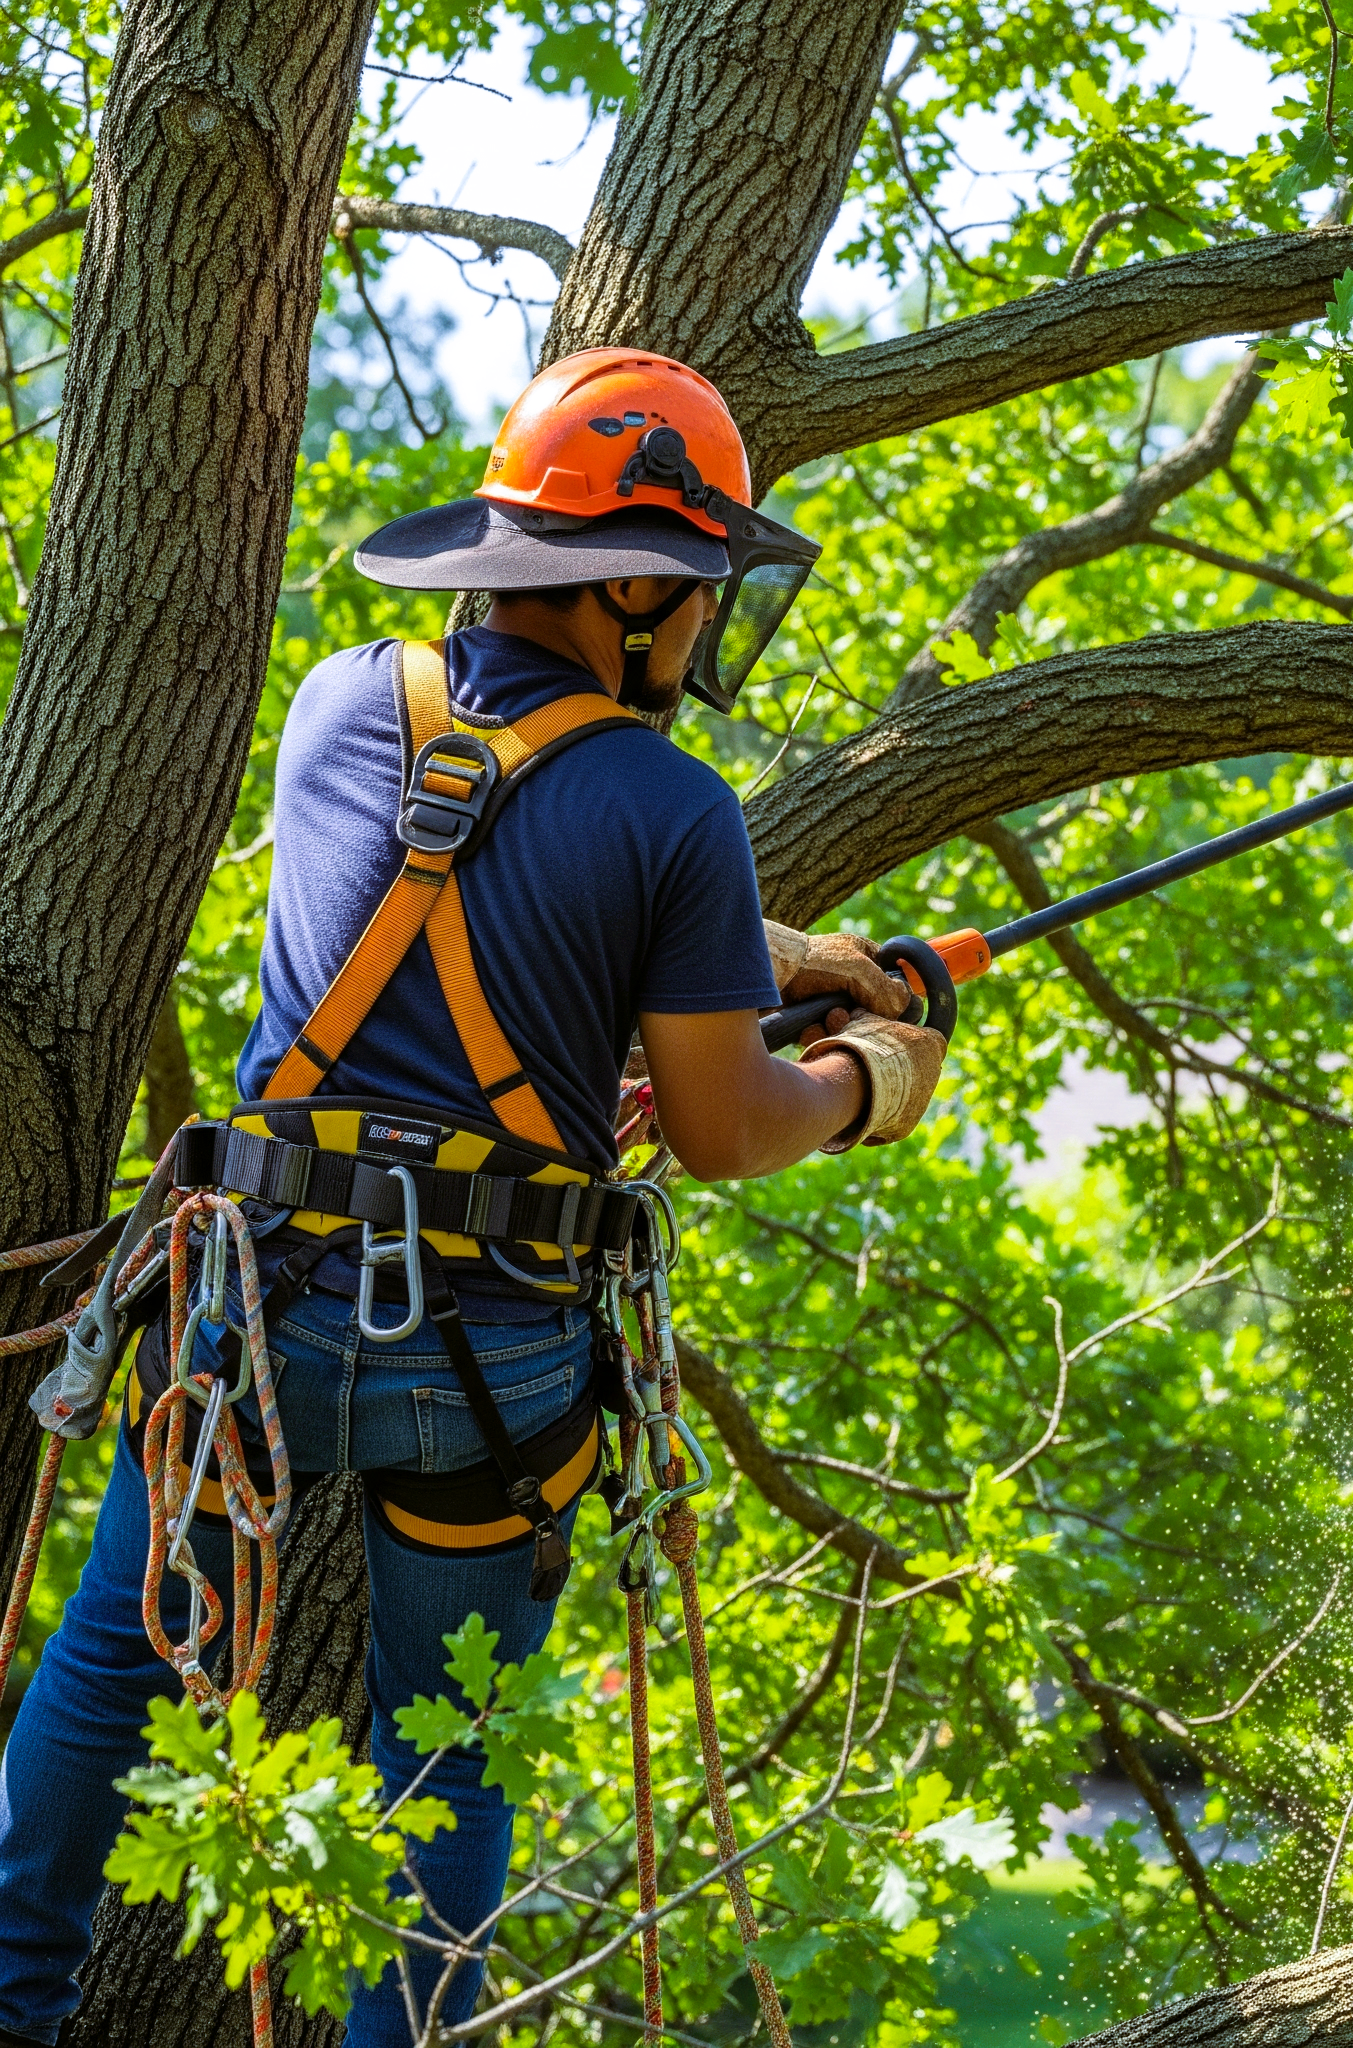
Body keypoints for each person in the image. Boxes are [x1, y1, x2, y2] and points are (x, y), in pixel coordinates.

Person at [0, 349, 947, 2046]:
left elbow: (469, 870)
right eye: (700, 582)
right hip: (484, 1365)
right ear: (636, 588)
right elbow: (726, 1126)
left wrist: (772, 952)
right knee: (443, 1752)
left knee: (115, 1667)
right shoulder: (676, 811)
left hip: (253, 1310)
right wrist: (867, 1080)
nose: (708, 615)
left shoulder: (343, 703)